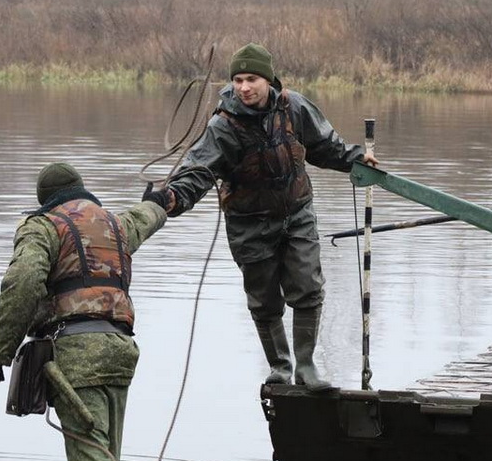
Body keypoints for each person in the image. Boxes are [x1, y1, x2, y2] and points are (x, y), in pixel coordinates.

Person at [0, 162, 167, 461]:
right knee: (104, 459)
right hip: (122, 351)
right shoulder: (116, 224)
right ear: (81, 192)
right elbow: (150, 215)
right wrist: (160, 200)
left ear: (46, 198)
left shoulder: (43, 227)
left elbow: (23, 281)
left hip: (76, 352)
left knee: (89, 456)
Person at [144, 43, 377, 392]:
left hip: (296, 214)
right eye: (237, 80)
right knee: (264, 299)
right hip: (248, 224)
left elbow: (326, 147)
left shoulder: (294, 107)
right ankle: (280, 366)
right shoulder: (224, 126)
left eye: (251, 79)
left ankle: (307, 367)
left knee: (308, 288)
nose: (244, 87)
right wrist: (170, 198)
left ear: (268, 80)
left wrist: (358, 159)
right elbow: (198, 172)